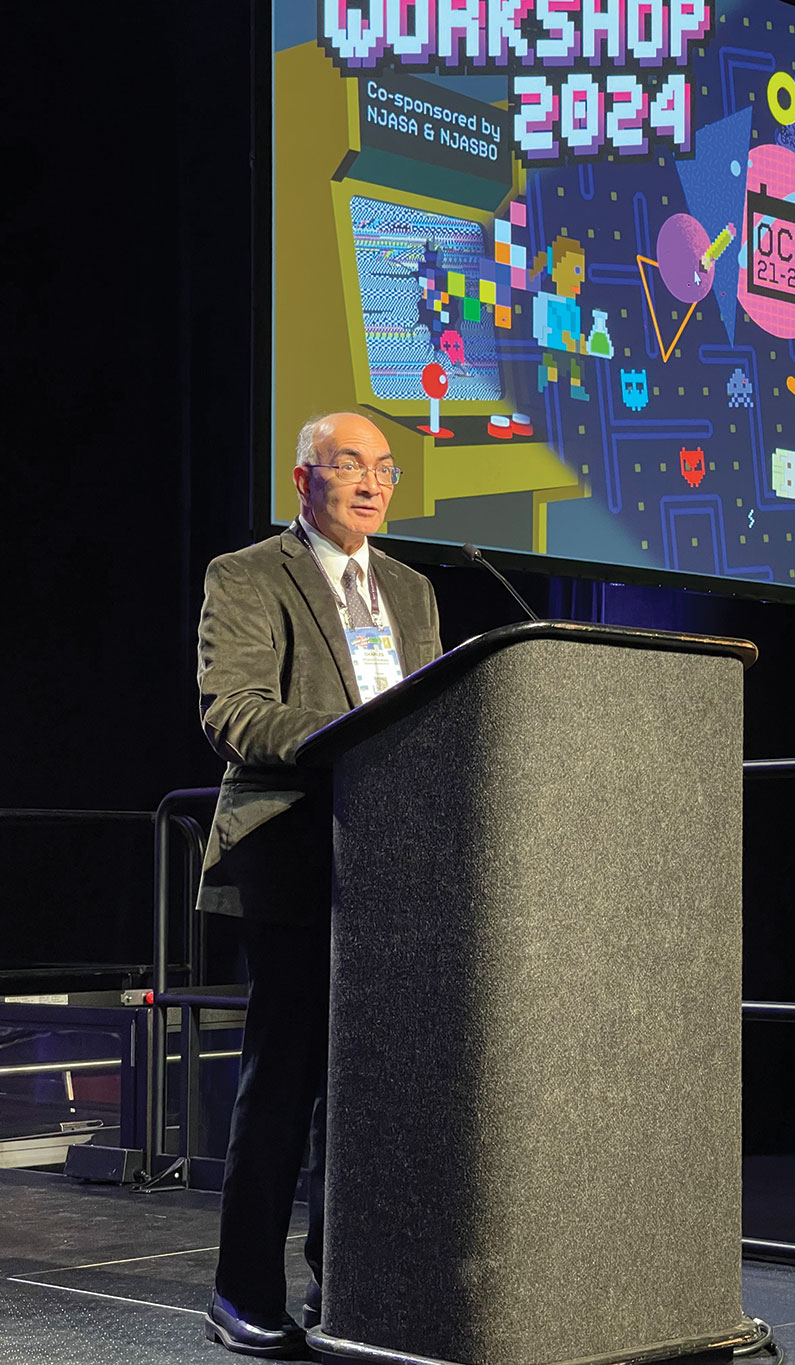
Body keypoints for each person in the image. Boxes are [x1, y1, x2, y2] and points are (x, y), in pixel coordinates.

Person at [197, 412, 443, 1358]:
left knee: (373, 1090)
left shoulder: (414, 590)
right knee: (286, 1079)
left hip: (397, 866)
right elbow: (235, 711)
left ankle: (352, 1283)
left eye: (386, 467)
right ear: (303, 480)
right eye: (350, 466)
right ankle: (241, 1290)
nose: (374, 484)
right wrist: (350, 741)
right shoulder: (249, 575)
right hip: (293, 857)